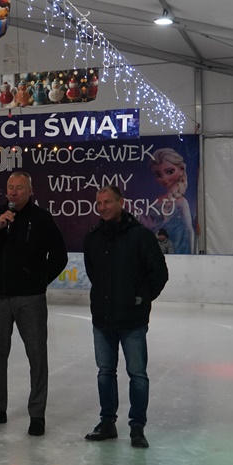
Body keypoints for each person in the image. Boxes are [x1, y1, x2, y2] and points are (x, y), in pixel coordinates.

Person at [0, 171, 67, 437]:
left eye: (19, 188)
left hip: (30, 300)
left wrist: (38, 281)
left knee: (37, 356)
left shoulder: (42, 219)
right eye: (10, 187)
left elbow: (59, 256)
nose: (13, 192)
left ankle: (37, 414)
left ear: (30, 191)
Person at [83, 185, 168, 449]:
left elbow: (159, 274)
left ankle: (137, 427)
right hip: (102, 319)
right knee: (105, 372)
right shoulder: (93, 237)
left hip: (132, 320)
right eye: (99, 203)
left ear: (121, 202)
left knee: (137, 374)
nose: (102, 207)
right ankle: (107, 422)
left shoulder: (140, 236)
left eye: (107, 202)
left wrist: (140, 299)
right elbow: (93, 273)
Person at [148, 148, 194, 254]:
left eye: (170, 172)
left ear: (181, 170)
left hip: (180, 252)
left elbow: (190, 231)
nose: (164, 178)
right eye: (158, 175)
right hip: (158, 252)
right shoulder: (157, 201)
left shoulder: (181, 202)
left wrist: (193, 255)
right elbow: (149, 226)